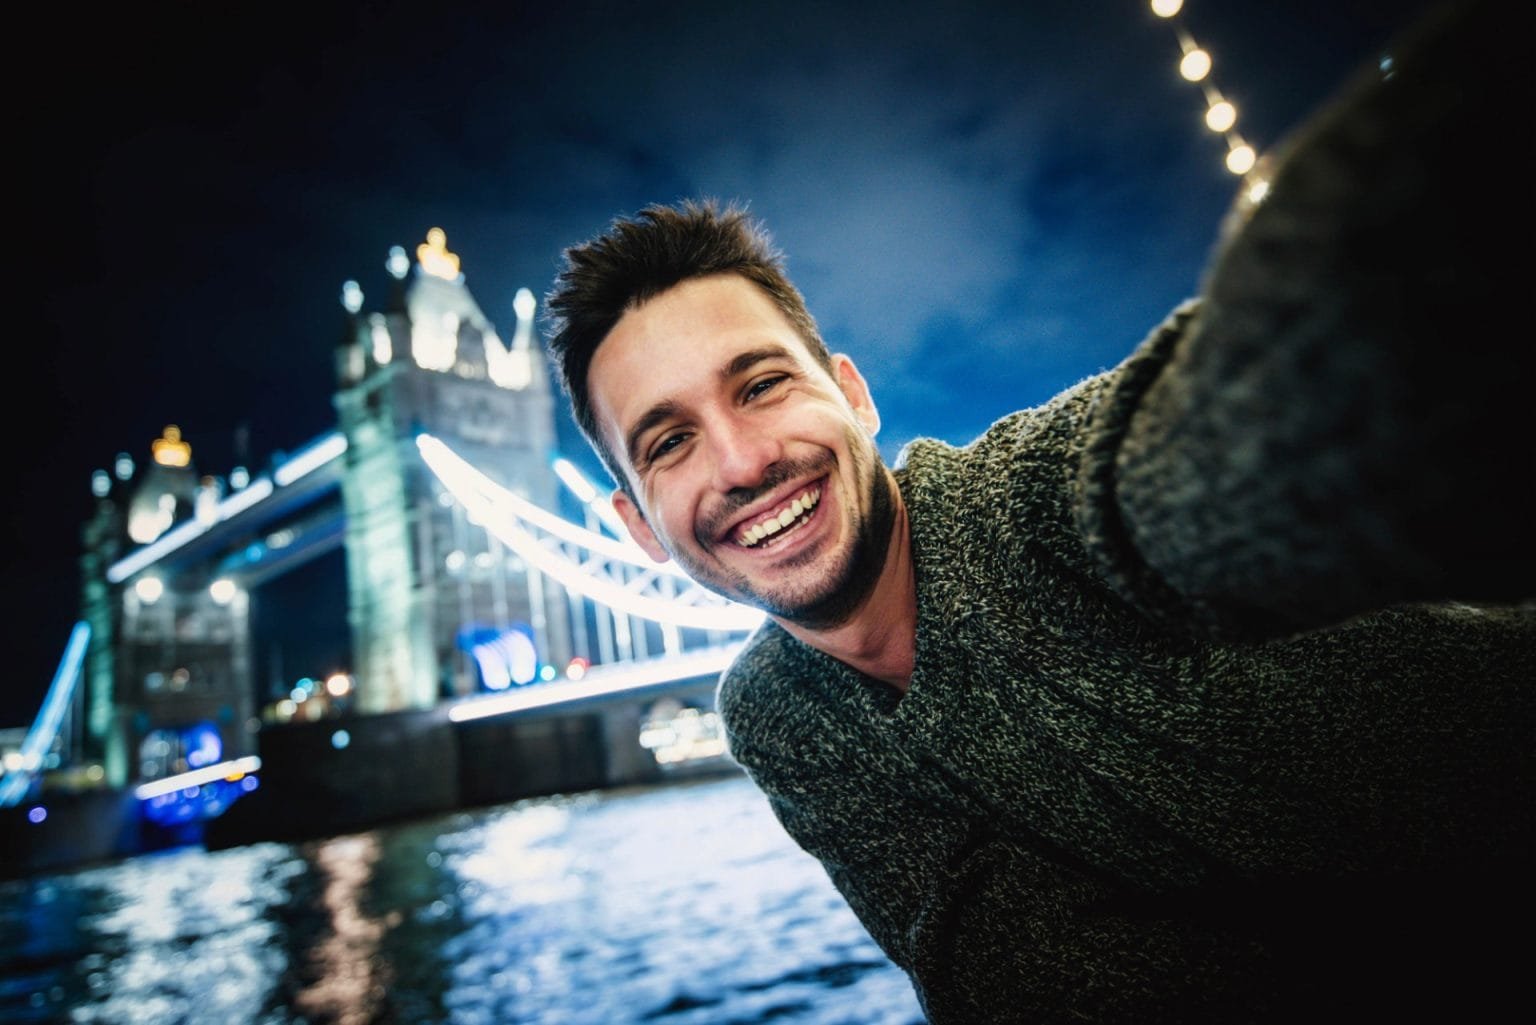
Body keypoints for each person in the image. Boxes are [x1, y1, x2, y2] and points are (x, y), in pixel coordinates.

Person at [542, 0, 1532, 1020]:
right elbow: (1017, 975)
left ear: (855, 395)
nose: (745, 460)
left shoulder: (1040, 501)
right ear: (633, 526)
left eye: (761, 385)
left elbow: (1249, 432)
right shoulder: (780, 716)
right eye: (670, 441)